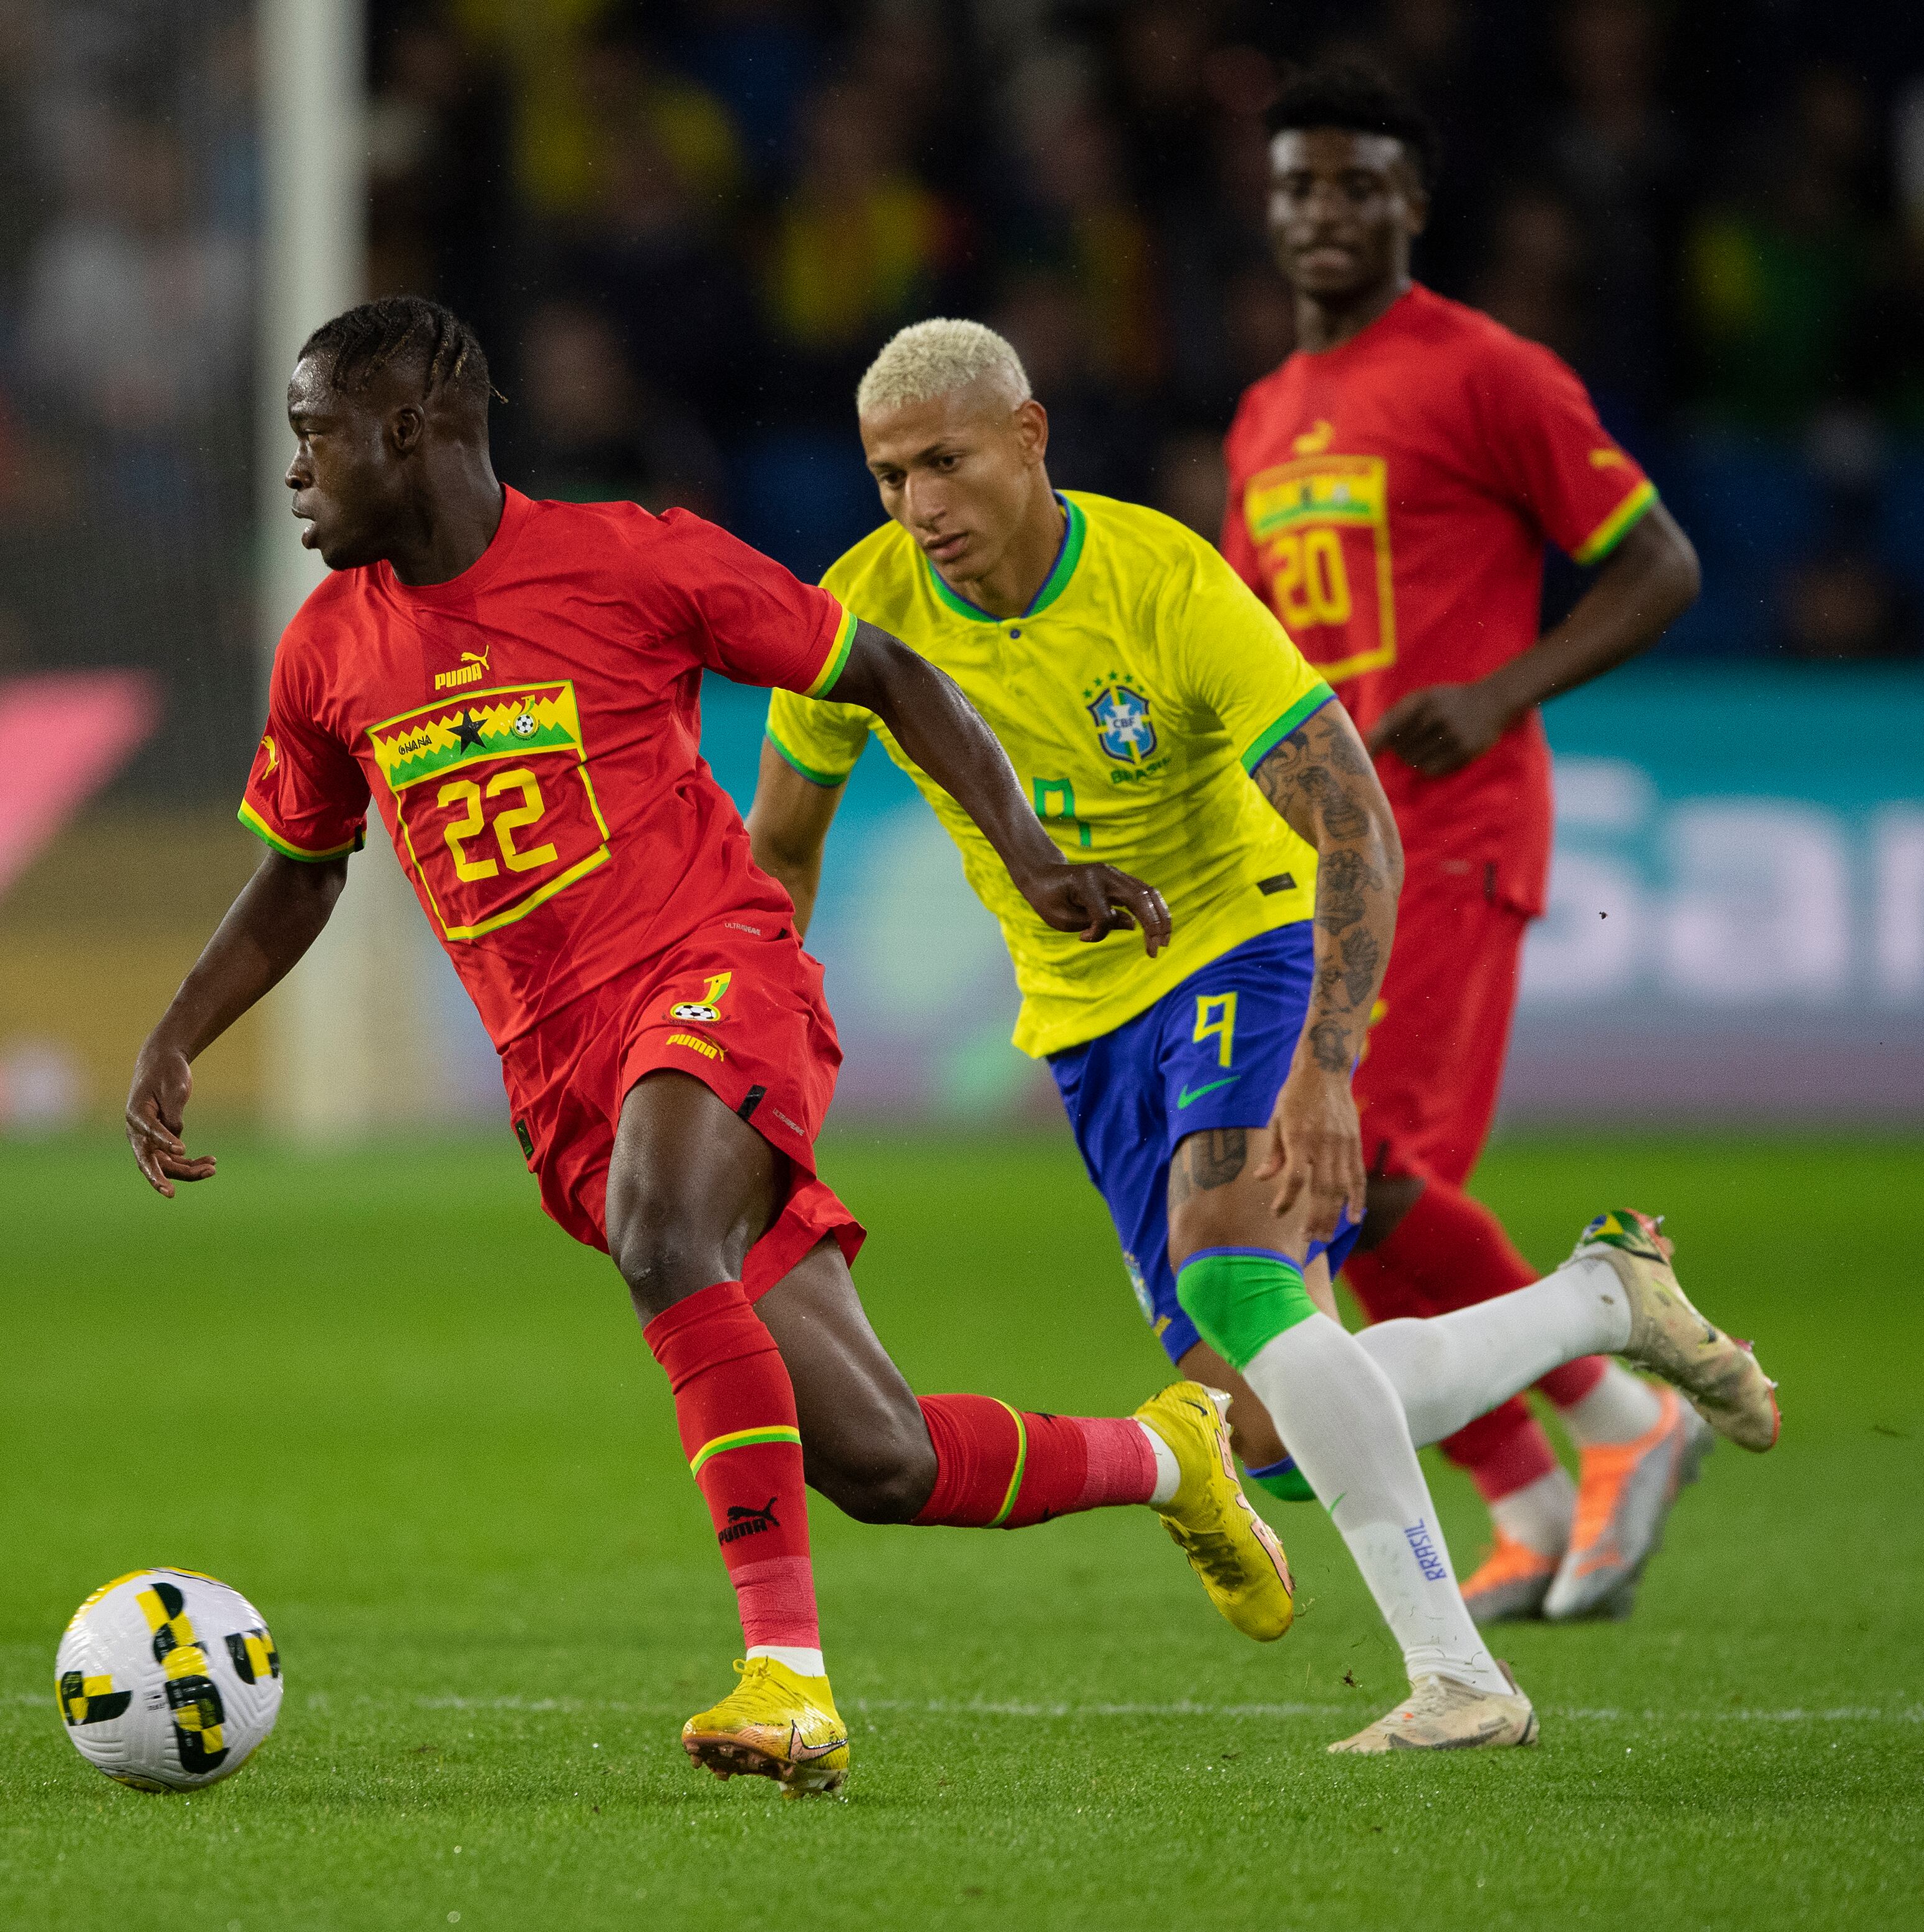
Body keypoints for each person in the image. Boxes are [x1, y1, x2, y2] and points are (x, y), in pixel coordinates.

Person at [122, 297, 1292, 1800]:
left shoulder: (628, 559)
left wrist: (1033, 851)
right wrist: (175, 1031)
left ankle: (788, 1683)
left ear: (410, 434)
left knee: (660, 1228)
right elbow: (302, 868)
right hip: (560, 1079)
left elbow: (885, 673)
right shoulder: (325, 651)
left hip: (715, 980)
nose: (291, 472)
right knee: (879, 1460)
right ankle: (1168, 1457)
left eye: (312, 435)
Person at [748, 318, 1778, 1752]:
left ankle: (1460, 1679)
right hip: (1082, 1024)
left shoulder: (1161, 580)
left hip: (1241, 935)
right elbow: (780, 846)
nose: (916, 506)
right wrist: (751, 1045)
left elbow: (1350, 813)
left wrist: (1329, 1062)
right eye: (884, 475)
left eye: (943, 461)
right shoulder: (861, 613)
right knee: (1271, 1424)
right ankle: (1601, 1304)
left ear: (1029, 438)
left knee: (1235, 1283)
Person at [1220, 65, 1711, 1622]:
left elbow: (1658, 564)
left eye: (1356, 185)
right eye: (1299, 185)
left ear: (1411, 205)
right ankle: (1527, 1495)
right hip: (1315, 853)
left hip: (1452, 825)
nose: (1322, 212)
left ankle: (1629, 1415)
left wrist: (1497, 691)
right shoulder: (1260, 418)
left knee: (1368, 1171)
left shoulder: (1488, 372)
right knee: (1324, 1176)